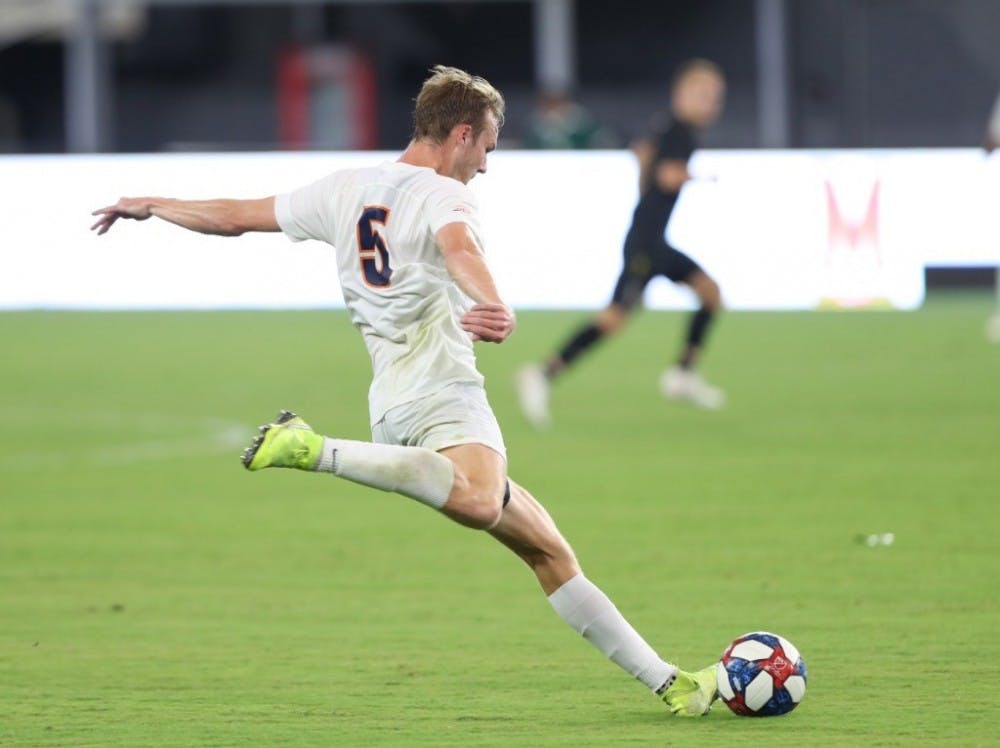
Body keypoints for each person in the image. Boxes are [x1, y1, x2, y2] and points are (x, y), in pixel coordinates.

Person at [90, 65, 717, 716]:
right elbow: (460, 249)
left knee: (549, 551)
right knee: (478, 502)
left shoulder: (345, 187)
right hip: (444, 390)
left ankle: (672, 685)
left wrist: (154, 206)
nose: (485, 167)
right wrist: (496, 302)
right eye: (487, 151)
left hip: (392, 405)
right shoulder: (445, 195)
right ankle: (313, 448)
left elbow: (235, 219)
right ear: (462, 136)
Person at [517, 59, 727, 427]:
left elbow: (642, 154)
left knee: (709, 293)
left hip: (653, 240)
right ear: (683, 93)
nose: (712, 104)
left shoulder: (665, 126)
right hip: (646, 245)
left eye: (716, 97)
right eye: (705, 95)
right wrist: (696, 176)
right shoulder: (680, 131)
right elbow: (666, 175)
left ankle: (682, 374)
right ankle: (541, 374)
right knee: (614, 319)